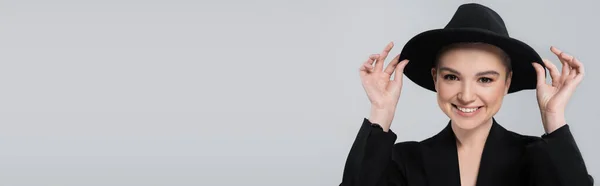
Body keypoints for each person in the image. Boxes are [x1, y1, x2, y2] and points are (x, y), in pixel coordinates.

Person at [339, 3, 593, 186]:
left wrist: (554, 115)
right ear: (435, 79)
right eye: (452, 77)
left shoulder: (537, 157)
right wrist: (380, 111)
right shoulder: (404, 160)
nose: (467, 95)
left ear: (507, 83)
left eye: (485, 79)